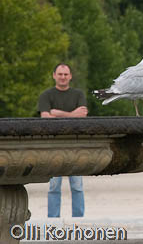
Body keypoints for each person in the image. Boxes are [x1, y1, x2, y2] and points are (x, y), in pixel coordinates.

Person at [38, 63, 88, 218]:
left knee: (77, 186)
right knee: (54, 187)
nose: (63, 77)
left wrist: (57, 113)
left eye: (66, 74)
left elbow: (83, 115)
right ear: (54, 75)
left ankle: (78, 221)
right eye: (60, 74)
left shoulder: (78, 94)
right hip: (54, 146)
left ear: (70, 76)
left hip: (75, 146)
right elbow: (45, 117)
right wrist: (72, 114)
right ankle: (53, 221)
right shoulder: (46, 95)